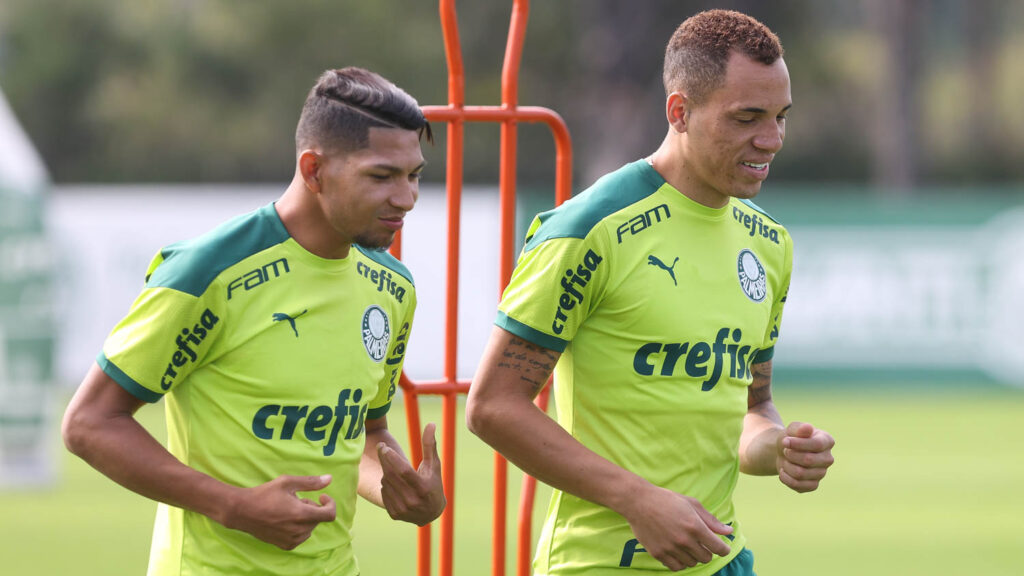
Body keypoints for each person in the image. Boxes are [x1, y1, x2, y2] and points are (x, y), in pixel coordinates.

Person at [466, 10, 835, 576]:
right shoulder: (588, 228)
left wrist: (778, 448)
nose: (772, 139)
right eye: (748, 117)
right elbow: (492, 406)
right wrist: (637, 499)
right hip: (597, 565)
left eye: (781, 116)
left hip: (722, 560)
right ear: (679, 112)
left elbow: (750, 406)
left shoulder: (770, 244)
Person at [61, 67, 445, 576]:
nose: (406, 198)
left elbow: (367, 430)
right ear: (313, 171)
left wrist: (402, 490)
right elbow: (90, 423)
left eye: (413, 175)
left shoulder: (393, 288)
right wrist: (233, 505)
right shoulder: (207, 273)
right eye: (381, 176)